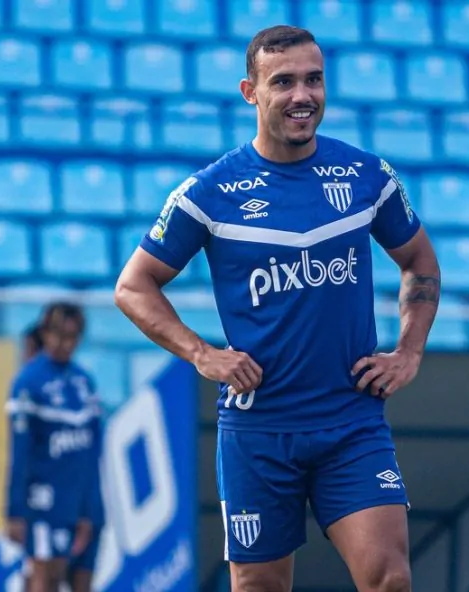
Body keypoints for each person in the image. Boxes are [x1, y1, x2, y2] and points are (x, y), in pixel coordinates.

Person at [114, 24, 441, 592]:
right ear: (251, 92)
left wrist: (409, 353)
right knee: (259, 587)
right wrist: (201, 353)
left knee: (390, 579)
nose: (302, 95)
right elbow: (133, 287)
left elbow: (419, 262)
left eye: (314, 80)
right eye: (284, 82)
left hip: (351, 420)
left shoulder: (367, 176)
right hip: (258, 429)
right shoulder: (209, 192)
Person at [5, 302, 105, 592]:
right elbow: (19, 452)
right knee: (45, 578)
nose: (65, 344)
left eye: (72, 337)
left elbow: (93, 454)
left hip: (82, 499)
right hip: (45, 501)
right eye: (59, 335)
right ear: (45, 333)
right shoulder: (28, 382)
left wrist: (90, 507)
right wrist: (15, 510)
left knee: (82, 583)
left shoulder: (84, 383)